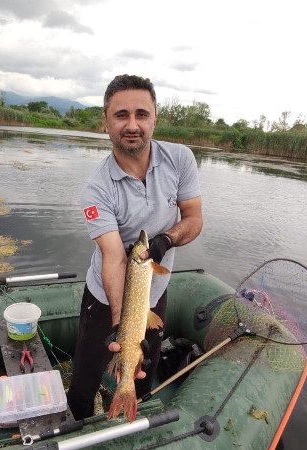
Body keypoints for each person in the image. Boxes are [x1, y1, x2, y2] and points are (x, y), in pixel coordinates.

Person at [67, 74, 203, 419]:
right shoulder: (96, 190)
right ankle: (81, 420)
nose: (132, 124)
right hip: (105, 299)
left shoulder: (181, 159)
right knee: (85, 375)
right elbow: (113, 258)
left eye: (141, 114)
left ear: (155, 117)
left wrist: (166, 240)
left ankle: (133, 409)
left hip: (154, 292)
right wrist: (121, 327)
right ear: (106, 123)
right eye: (121, 115)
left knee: (147, 366)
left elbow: (194, 218)